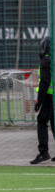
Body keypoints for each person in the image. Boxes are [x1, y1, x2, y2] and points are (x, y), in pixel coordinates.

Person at [31, 36, 55, 164]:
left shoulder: (46, 60)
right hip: (51, 96)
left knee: (42, 121)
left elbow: (44, 82)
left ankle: (43, 152)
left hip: (48, 96)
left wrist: (39, 102)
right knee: (53, 122)